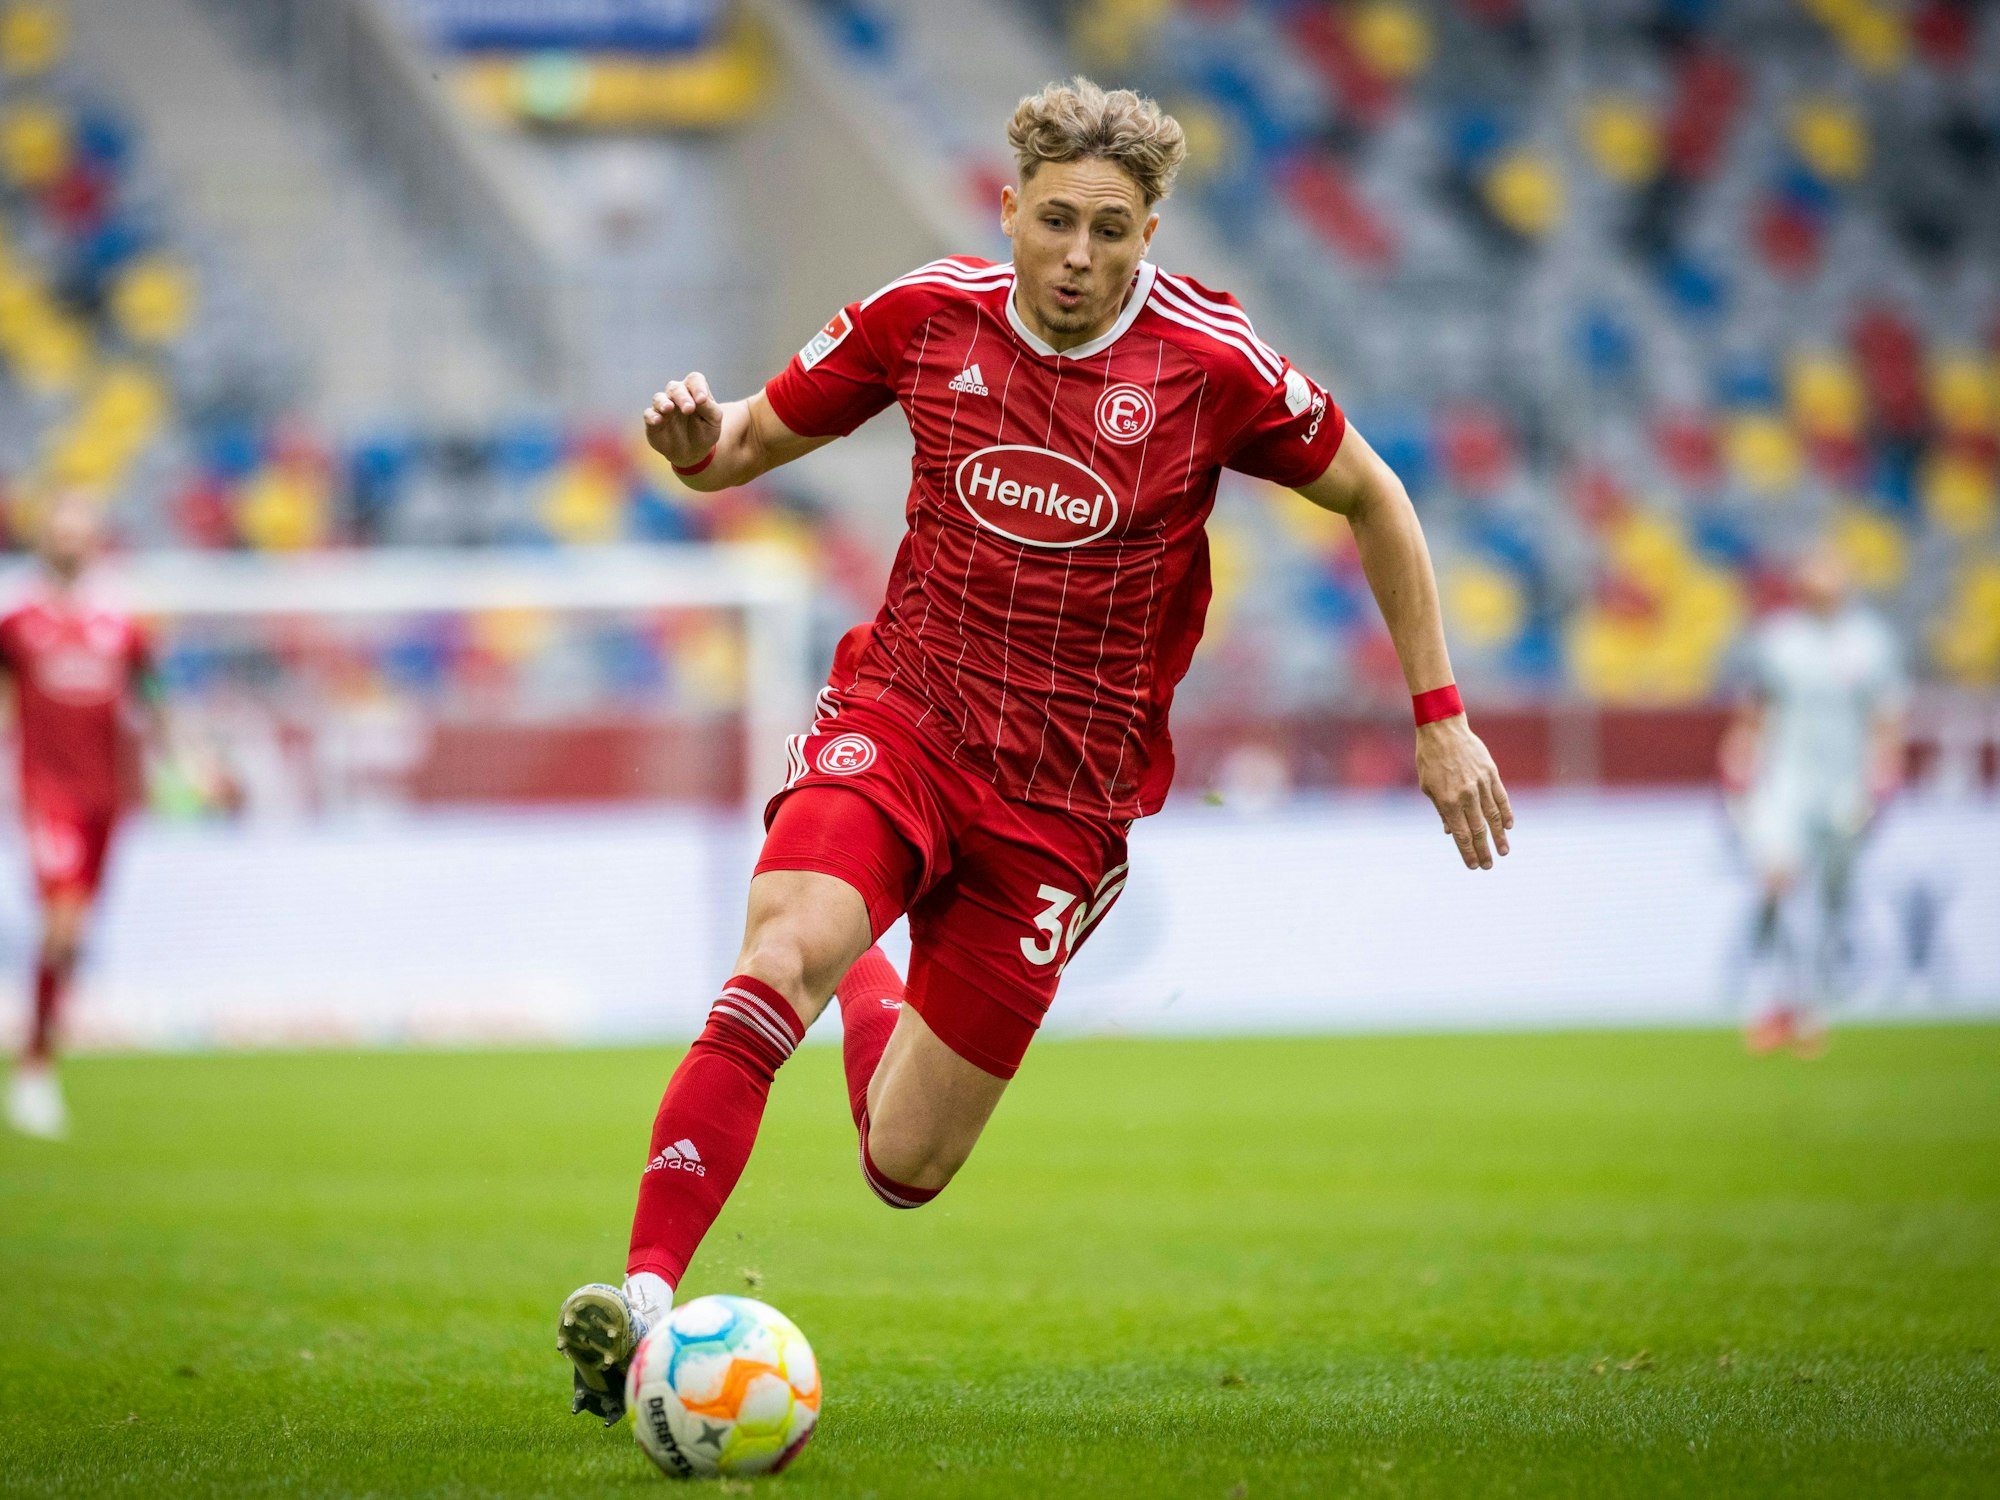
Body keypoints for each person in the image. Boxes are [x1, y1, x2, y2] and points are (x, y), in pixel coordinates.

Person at [556, 78, 1513, 1424]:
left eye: (1111, 231)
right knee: (782, 951)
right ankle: (642, 1302)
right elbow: (741, 445)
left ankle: (875, 962)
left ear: (1150, 233)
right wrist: (689, 442)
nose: (1078, 256)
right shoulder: (924, 315)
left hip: (1064, 801)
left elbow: (1375, 495)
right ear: (1007, 210)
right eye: (1056, 221)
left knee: (906, 1163)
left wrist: (1440, 718)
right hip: (906, 717)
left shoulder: (1215, 365)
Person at [1, 495, 161, 1138]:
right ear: (45, 544)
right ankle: (35, 1070)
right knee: (63, 926)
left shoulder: (121, 629)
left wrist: (192, 761)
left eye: (80, 535)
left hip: (105, 800)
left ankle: (41, 1057)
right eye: (59, 534)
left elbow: (153, 697)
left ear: (96, 545)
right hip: (47, 793)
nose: (69, 545)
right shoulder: (16, 624)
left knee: (75, 935)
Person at [1720, 540, 1906, 1055]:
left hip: (1845, 784)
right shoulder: (1779, 641)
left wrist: (1880, 778)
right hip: (1785, 780)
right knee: (1778, 879)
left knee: (1829, 898)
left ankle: (1809, 1005)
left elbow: (1886, 719)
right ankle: (1779, 1003)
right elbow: (1755, 711)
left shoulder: (1871, 643)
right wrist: (1740, 764)